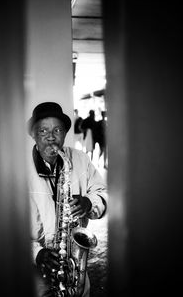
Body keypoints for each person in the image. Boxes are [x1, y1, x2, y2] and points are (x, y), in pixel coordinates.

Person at [27, 102, 107, 297]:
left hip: (75, 268)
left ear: (64, 133)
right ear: (34, 135)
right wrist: (37, 253)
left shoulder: (80, 159)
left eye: (57, 130)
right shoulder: (19, 170)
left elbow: (103, 194)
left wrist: (89, 202)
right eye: (43, 131)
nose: (51, 137)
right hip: (37, 271)